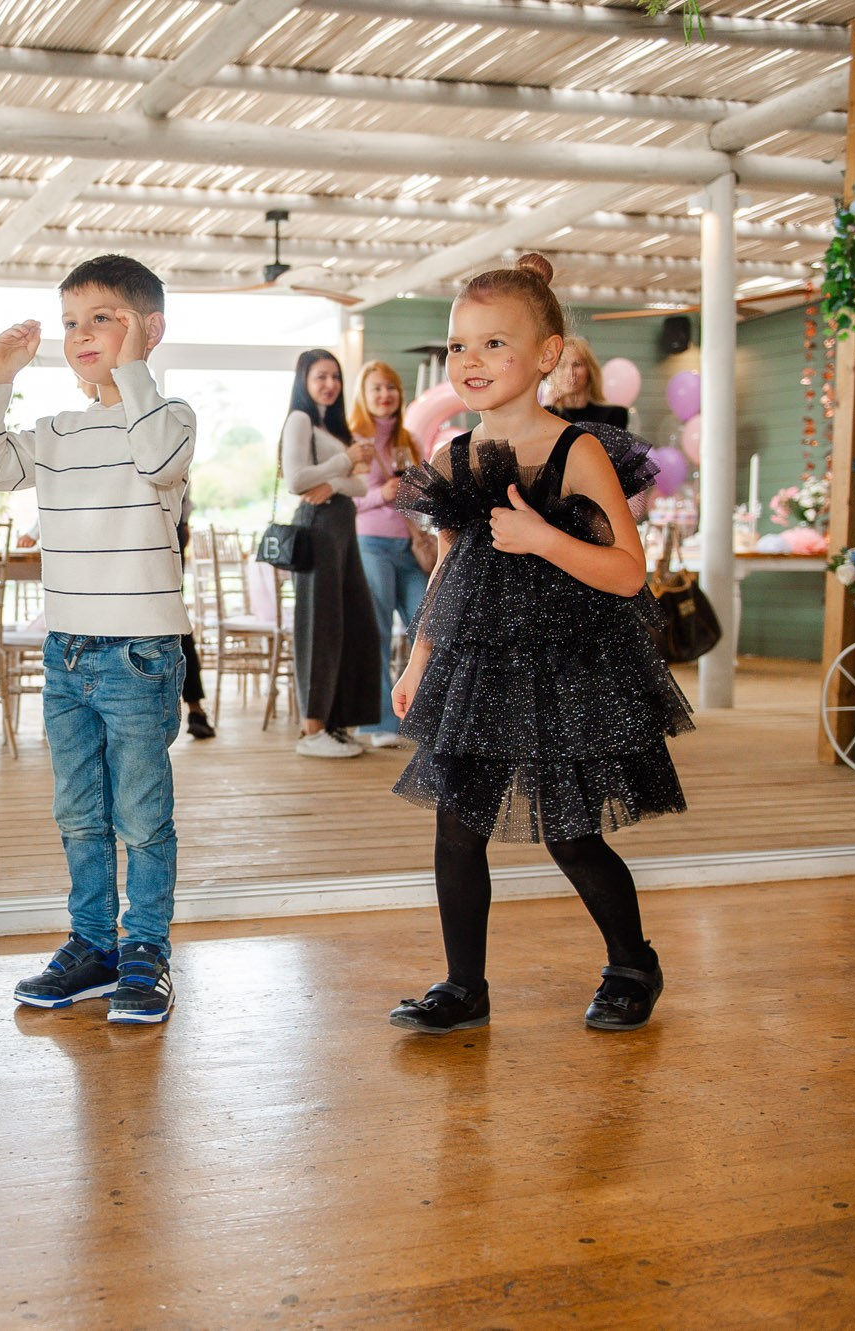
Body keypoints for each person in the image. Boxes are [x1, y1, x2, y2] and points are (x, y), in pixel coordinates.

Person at [387, 253, 693, 1037]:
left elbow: (629, 574)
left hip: (567, 667)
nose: (471, 361)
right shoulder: (455, 454)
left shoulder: (577, 451)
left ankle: (632, 961)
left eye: (495, 344)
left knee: (569, 830)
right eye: (459, 346)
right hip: (477, 665)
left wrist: (539, 537)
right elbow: (452, 563)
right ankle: (464, 985)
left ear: (548, 355)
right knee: (456, 826)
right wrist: (419, 658)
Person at [0, 254, 196, 1026]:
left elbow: (158, 459)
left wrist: (132, 372)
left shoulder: (170, 418)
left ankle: (146, 951)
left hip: (140, 655)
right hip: (65, 652)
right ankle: (93, 943)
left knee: (140, 814)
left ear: (148, 329)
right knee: (78, 812)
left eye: (104, 317)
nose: (82, 334)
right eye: (71, 322)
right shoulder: (54, 430)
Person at [282, 349, 384, 759]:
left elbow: (359, 488)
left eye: (335, 377)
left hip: (343, 528)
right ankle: (311, 729)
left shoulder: (332, 425)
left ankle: (338, 721)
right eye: (320, 376)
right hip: (318, 529)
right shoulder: (300, 419)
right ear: (304, 381)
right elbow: (296, 478)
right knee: (318, 628)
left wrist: (337, 482)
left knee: (355, 624)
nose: (329, 384)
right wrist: (346, 462)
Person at [348, 360, 429, 749]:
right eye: (376, 388)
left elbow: (424, 494)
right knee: (377, 632)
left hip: (410, 545)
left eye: (391, 387)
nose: (385, 395)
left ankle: (425, 717)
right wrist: (379, 495)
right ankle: (377, 722)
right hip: (372, 544)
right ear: (364, 397)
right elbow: (346, 500)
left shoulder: (410, 440)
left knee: (426, 628)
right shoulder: (355, 441)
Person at [547, 335, 629, 430]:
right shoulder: (549, 414)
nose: (570, 372)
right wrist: (549, 408)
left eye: (577, 364)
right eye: (562, 365)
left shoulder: (614, 414)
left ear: (590, 370)